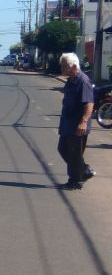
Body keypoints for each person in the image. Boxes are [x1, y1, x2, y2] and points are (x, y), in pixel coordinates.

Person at [56, 52, 94, 190]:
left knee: (74, 153)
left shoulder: (83, 81)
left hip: (78, 125)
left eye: (64, 65)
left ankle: (76, 181)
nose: (62, 68)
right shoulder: (71, 80)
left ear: (73, 66)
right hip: (67, 123)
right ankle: (84, 170)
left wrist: (83, 121)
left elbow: (89, 103)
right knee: (63, 149)